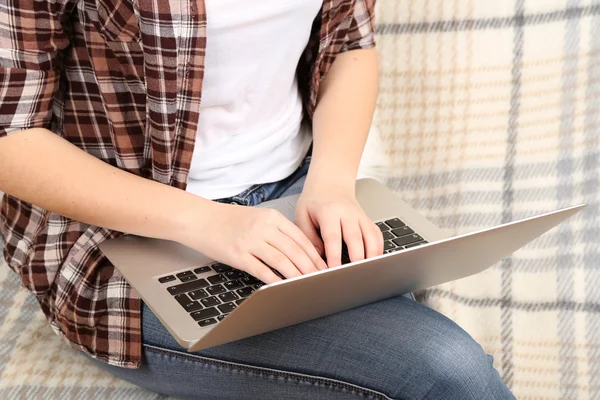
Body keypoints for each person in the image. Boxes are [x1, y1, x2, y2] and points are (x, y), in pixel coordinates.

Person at [0, 0, 515, 398]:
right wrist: (207, 223)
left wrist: (332, 185)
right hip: (128, 235)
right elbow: (11, 139)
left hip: (301, 191)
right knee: (443, 369)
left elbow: (349, 44)